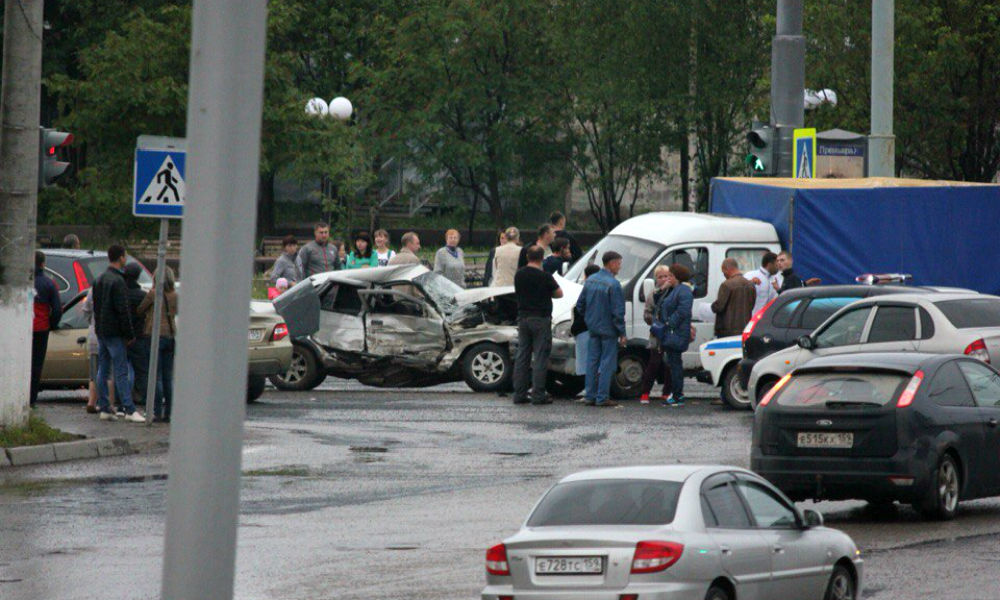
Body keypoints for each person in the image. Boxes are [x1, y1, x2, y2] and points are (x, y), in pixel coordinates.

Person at [92, 245, 145, 422]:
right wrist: (129, 334)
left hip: (102, 331)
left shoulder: (99, 279)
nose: (125, 259)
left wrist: (99, 328)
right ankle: (129, 409)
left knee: (103, 369)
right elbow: (123, 311)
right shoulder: (118, 281)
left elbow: (96, 308)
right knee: (121, 371)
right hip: (115, 333)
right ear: (120, 258)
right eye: (125, 257)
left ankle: (105, 407)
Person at [512, 245, 563, 405]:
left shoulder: (519, 275)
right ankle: (538, 394)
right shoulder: (545, 276)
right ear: (542, 258)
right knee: (540, 356)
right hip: (541, 319)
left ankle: (519, 394)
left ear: (527, 256)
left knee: (522, 356)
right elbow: (559, 293)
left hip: (523, 318)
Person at [576, 251, 626, 407]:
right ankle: (602, 396)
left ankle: (590, 395)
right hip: (608, 329)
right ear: (611, 263)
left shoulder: (590, 280)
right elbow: (618, 312)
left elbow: (580, 305)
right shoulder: (613, 284)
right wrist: (622, 332)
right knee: (606, 363)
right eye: (618, 263)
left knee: (591, 362)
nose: (619, 266)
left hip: (593, 328)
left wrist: (589, 318)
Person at [137, 267, 178, 422]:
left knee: (156, 376)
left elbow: (139, 310)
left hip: (154, 336)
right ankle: (169, 412)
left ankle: (157, 411)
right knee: (168, 377)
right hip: (170, 337)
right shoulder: (175, 295)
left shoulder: (153, 294)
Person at [30, 251, 62, 407]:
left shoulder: (23, 281)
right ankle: (31, 398)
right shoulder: (49, 283)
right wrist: (53, 324)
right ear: (43, 264)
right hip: (41, 328)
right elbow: (57, 310)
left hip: (24, 329)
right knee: (36, 364)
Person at [659, 263, 693, 406]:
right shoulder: (674, 289)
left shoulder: (684, 290)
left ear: (677, 277)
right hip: (673, 332)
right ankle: (676, 393)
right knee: (673, 364)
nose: (669, 278)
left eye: (671, 276)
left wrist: (669, 323)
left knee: (676, 365)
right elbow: (659, 303)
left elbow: (683, 311)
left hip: (677, 332)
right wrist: (662, 289)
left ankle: (678, 395)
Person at [639, 265, 673, 404]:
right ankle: (645, 393)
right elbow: (646, 313)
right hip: (657, 334)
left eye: (666, 276)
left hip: (671, 332)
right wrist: (654, 321)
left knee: (670, 364)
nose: (664, 279)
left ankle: (667, 392)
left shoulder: (675, 292)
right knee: (653, 363)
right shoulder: (652, 294)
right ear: (656, 279)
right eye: (660, 277)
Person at [123, 262, 149, 407]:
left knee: (121, 369)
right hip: (140, 337)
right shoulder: (142, 296)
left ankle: (123, 397)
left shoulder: (122, 294)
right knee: (141, 370)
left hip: (122, 337)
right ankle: (140, 396)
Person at [711, 258, 756, 338]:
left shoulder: (726, 285)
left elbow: (719, 307)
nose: (724, 274)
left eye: (723, 272)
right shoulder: (750, 285)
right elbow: (751, 305)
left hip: (728, 330)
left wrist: (712, 306)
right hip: (745, 328)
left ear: (727, 269)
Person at [573, 264, 602, 379]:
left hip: (583, 328)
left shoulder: (584, 288)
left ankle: (590, 390)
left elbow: (580, 308)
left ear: (585, 276)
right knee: (596, 362)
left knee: (586, 363)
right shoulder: (603, 288)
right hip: (597, 328)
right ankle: (596, 390)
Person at [744, 251, 780, 316]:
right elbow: (741, 291)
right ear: (770, 265)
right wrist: (751, 283)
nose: (778, 268)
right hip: (752, 318)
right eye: (776, 265)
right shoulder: (751, 275)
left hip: (768, 319)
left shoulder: (777, 278)